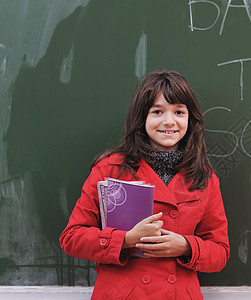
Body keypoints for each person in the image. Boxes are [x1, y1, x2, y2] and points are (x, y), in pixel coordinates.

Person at [60, 70, 230, 299]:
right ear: (142, 118)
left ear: (190, 119)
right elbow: (72, 238)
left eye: (179, 111)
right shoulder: (110, 169)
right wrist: (126, 240)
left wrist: (186, 247)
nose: (169, 121)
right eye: (157, 111)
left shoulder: (204, 178)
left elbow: (220, 251)